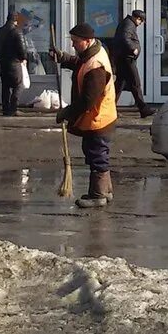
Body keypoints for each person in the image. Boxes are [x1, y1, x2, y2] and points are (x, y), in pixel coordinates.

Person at [50, 23, 117, 208]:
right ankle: (106, 190)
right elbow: (79, 64)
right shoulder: (93, 53)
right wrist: (62, 58)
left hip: (99, 118)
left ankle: (97, 195)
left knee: (97, 154)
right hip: (99, 116)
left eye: (75, 42)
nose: (73, 45)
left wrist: (66, 112)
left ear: (87, 41)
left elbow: (87, 100)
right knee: (96, 152)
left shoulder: (96, 66)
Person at [112, 9, 155, 119]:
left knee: (119, 84)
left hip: (123, 58)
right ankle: (143, 109)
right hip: (127, 59)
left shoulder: (127, 23)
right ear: (137, 18)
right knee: (135, 83)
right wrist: (133, 49)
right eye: (141, 21)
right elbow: (124, 37)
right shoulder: (129, 24)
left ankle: (110, 107)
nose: (141, 24)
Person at [0, 12, 28, 117]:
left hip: (3, 63)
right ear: (15, 20)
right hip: (14, 63)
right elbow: (22, 49)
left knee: (5, 87)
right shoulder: (17, 32)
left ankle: (5, 110)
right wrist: (23, 58)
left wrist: (2, 53)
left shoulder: (0, 31)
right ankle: (13, 108)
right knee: (18, 85)